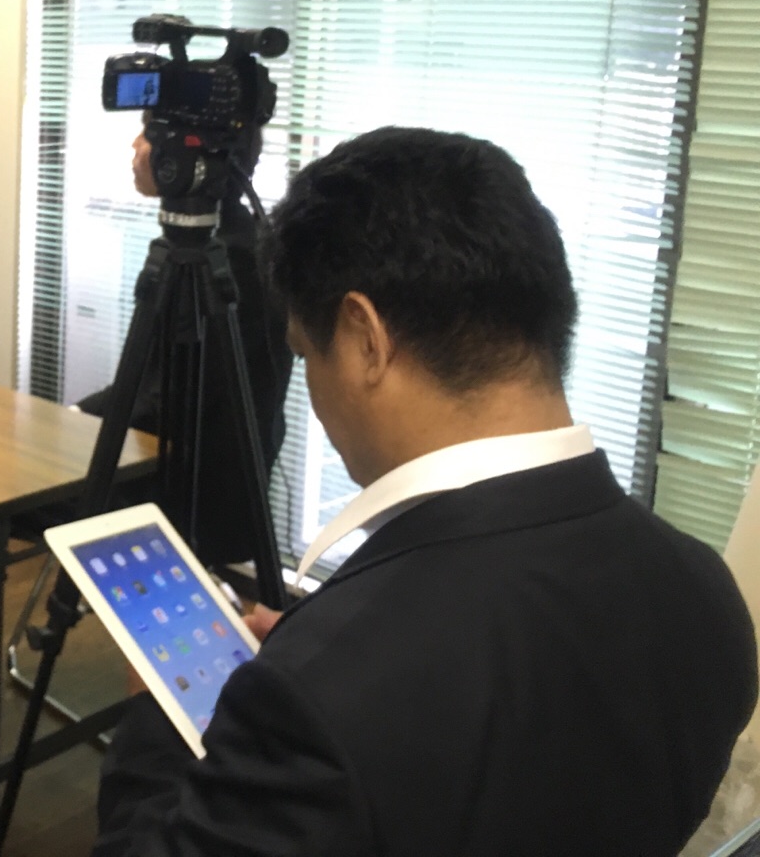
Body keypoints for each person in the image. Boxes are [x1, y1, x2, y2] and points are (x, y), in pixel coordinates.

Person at [93, 126, 757, 857]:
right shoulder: (707, 597)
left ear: (365, 339)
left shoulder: (320, 697)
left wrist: (157, 721)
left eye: (305, 354)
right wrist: (318, 647)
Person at [0, 122, 292, 655]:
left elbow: (170, 406)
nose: (134, 146)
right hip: (156, 461)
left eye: (147, 135)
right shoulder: (232, 246)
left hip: (178, 489)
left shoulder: (227, 264)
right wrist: (69, 421)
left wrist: (66, 427)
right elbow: (151, 390)